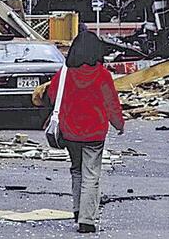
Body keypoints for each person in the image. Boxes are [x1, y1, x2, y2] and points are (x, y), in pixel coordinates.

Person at [47, 30, 124, 234]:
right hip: (94, 134)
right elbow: (111, 103)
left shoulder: (64, 74)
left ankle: (77, 209)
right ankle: (87, 219)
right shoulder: (103, 75)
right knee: (91, 174)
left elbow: (53, 95)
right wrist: (119, 124)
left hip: (70, 132)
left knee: (77, 169)